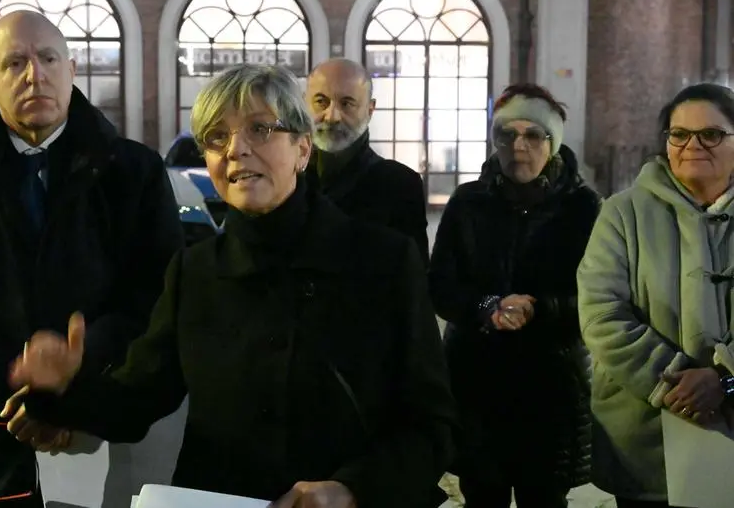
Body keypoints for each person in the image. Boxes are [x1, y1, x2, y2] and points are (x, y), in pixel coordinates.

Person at [9, 64, 457, 507]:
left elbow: (430, 427)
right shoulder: (195, 271)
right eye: (216, 138)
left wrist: (352, 489)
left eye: (260, 129)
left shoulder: (384, 262)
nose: (236, 150)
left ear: (303, 149)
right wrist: (63, 387)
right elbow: (136, 401)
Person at [0, 10, 184, 507]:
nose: (36, 74)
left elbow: (158, 289)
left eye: (49, 58)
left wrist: (79, 364)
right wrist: (16, 386)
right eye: (14, 63)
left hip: (106, 410)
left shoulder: (134, 172)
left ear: (71, 69)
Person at [429, 83, 599, 508]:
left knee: (544, 497)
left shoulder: (583, 208)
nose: (518, 145)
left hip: (551, 386)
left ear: (552, 142)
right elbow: (440, 285)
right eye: (507, 134)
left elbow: (600, 297)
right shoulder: (468, 202)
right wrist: (487, 307)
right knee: (482, 495)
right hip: (476, 384)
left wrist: (538, 310)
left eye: (533, 134)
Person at [578, 83, 734, 508]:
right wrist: (676, 382)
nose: (692, 145)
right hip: (645, 432)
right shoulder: (622, 213)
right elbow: (601, 312)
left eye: (712, 134)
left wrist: (725, 380)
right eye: (679, 134)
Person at [305, 58, 429, 260]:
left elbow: (415, 280)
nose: (332, 116)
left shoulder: (400, 185)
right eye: (321, 102)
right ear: (304, 105)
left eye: (347, 104)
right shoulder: (285, 179)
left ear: (370, 110)